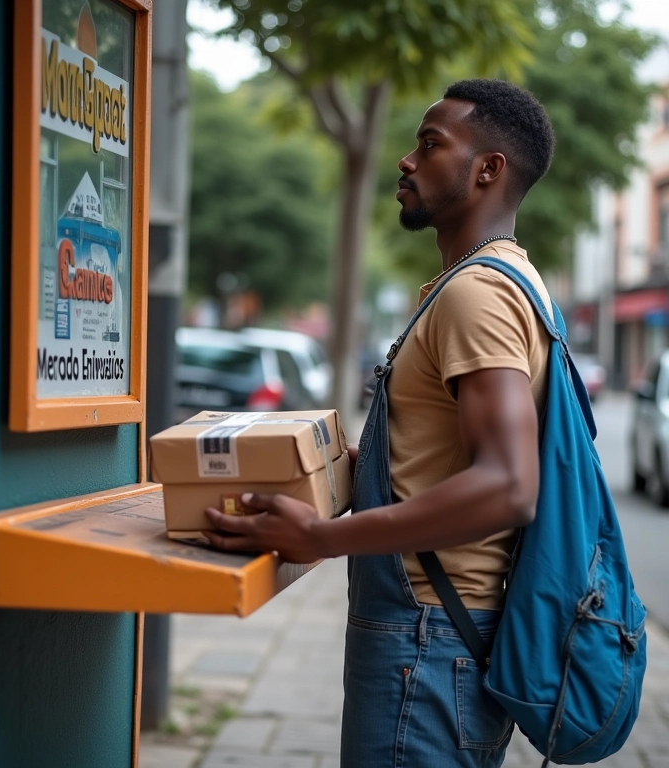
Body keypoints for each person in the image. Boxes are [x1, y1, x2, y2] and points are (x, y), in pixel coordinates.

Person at [204, 78, 557, 768]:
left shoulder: (477, 294)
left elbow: (509, 485)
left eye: (430, 144)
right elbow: (441, 457)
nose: (405, 160)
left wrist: (324, 536)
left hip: (427, 642)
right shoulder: (496, 281)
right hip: (436, 640)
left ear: (488, 170)